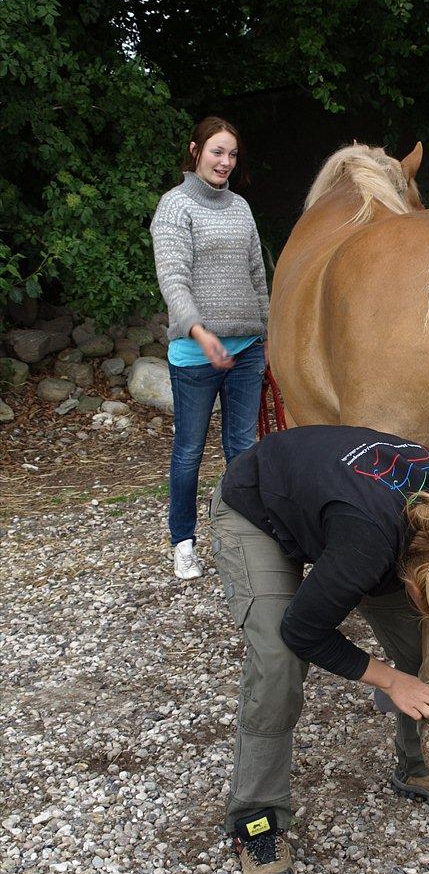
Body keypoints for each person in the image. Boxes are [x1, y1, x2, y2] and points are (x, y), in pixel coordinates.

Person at [211, 424, 429, 874]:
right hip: (259, 506)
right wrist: (392, 682)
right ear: (413, 585)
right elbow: (304, 630)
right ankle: (256, 820)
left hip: (343, 509)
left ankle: (417, 766)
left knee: (420, 651)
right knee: (279, 663)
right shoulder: (366, 547)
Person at [150, 116, 269, 580]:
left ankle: (247, 538)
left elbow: (258, 276)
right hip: (196, 355)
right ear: (195, 150)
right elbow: (173, 280)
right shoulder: (174, 206)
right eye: (218, 151)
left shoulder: (240, 206)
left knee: (244, 448)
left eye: (233, 154)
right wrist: (200, 333)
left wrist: (267, 335)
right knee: (189, 452)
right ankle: (183, 540)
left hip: (247, 353)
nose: (225, 162)